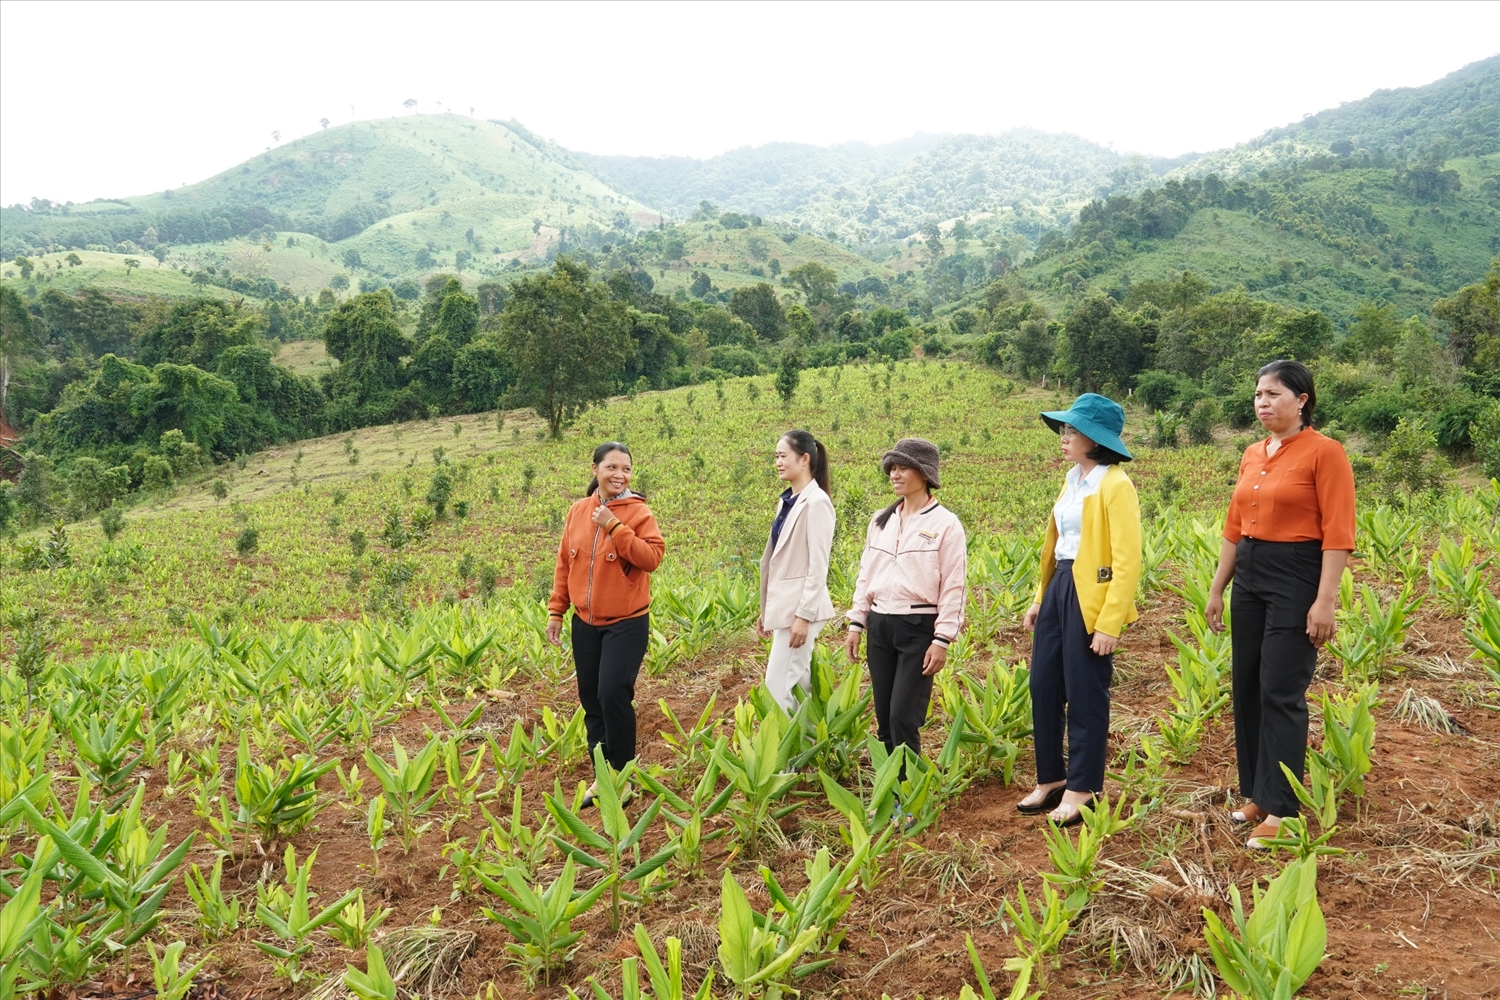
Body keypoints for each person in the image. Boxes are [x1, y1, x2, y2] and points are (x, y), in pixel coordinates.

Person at [1206, 360, 1354, 849]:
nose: (1262, 403)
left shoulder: (1325, 453)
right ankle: (1259, 795)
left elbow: (1338, 533)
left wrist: (1324, 602)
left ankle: (1285, 812)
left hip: (1297, 575)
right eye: (1257, 395)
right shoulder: (1252, 453)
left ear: (1301, 400)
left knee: (1281, 690)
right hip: (1249, 573)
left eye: (1272, 394)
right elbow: (1233, 527)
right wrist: (1217, 588)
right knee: (1247, 685)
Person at [1018, 393, 1141, 827]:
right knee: (1044, 685)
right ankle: (1051, 777)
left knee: (1085, 691)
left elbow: (1127, 560)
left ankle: (1083, 785)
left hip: (1091, 594)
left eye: (1072, 430)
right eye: (1065, 429)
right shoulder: (1073, 478)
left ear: (1095, 438)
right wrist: (1040, 597)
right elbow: (1056, 548)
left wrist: (1109, 623)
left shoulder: (1114, 483)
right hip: (1059, 587)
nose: (1064, 437)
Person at [546, 441, 665, 805]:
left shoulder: (639, 513)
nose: (620, 475)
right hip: (585, 623)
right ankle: (602, 777)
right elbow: (566, 564)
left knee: (613, 693)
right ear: (595, 468)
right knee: (591, 699)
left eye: (626, 469)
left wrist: (614, 525)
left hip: (627, 623)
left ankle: (623, 775)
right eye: (612, 467)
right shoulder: (578, 511)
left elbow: (652, 557)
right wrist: (556, 611)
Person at [845, 437, 967, 769]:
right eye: (892, 468)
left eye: (903, 467)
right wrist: (857, 622)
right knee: (884, 718)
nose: (895, 475)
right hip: (880, 625)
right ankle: (891, 797)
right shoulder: (881, 520)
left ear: (924, 473)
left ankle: (911, 799)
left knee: (903, 717)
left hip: (918, 628)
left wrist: (942, 639)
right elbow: (865, 574)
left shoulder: (946, 524)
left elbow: (954, 586)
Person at [757, 430, 837, 712]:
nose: (778, 462)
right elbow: (777, 560)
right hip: (786, 606)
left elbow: (818, 566)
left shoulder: (816, 502)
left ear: (804, 459)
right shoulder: (787, 500)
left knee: (777, 690)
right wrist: (766, 608)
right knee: (799, 685)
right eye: (776, 457)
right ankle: (806, 749)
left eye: (783, 456)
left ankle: (784, 754)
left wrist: (803, 616)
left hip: (801, 610)